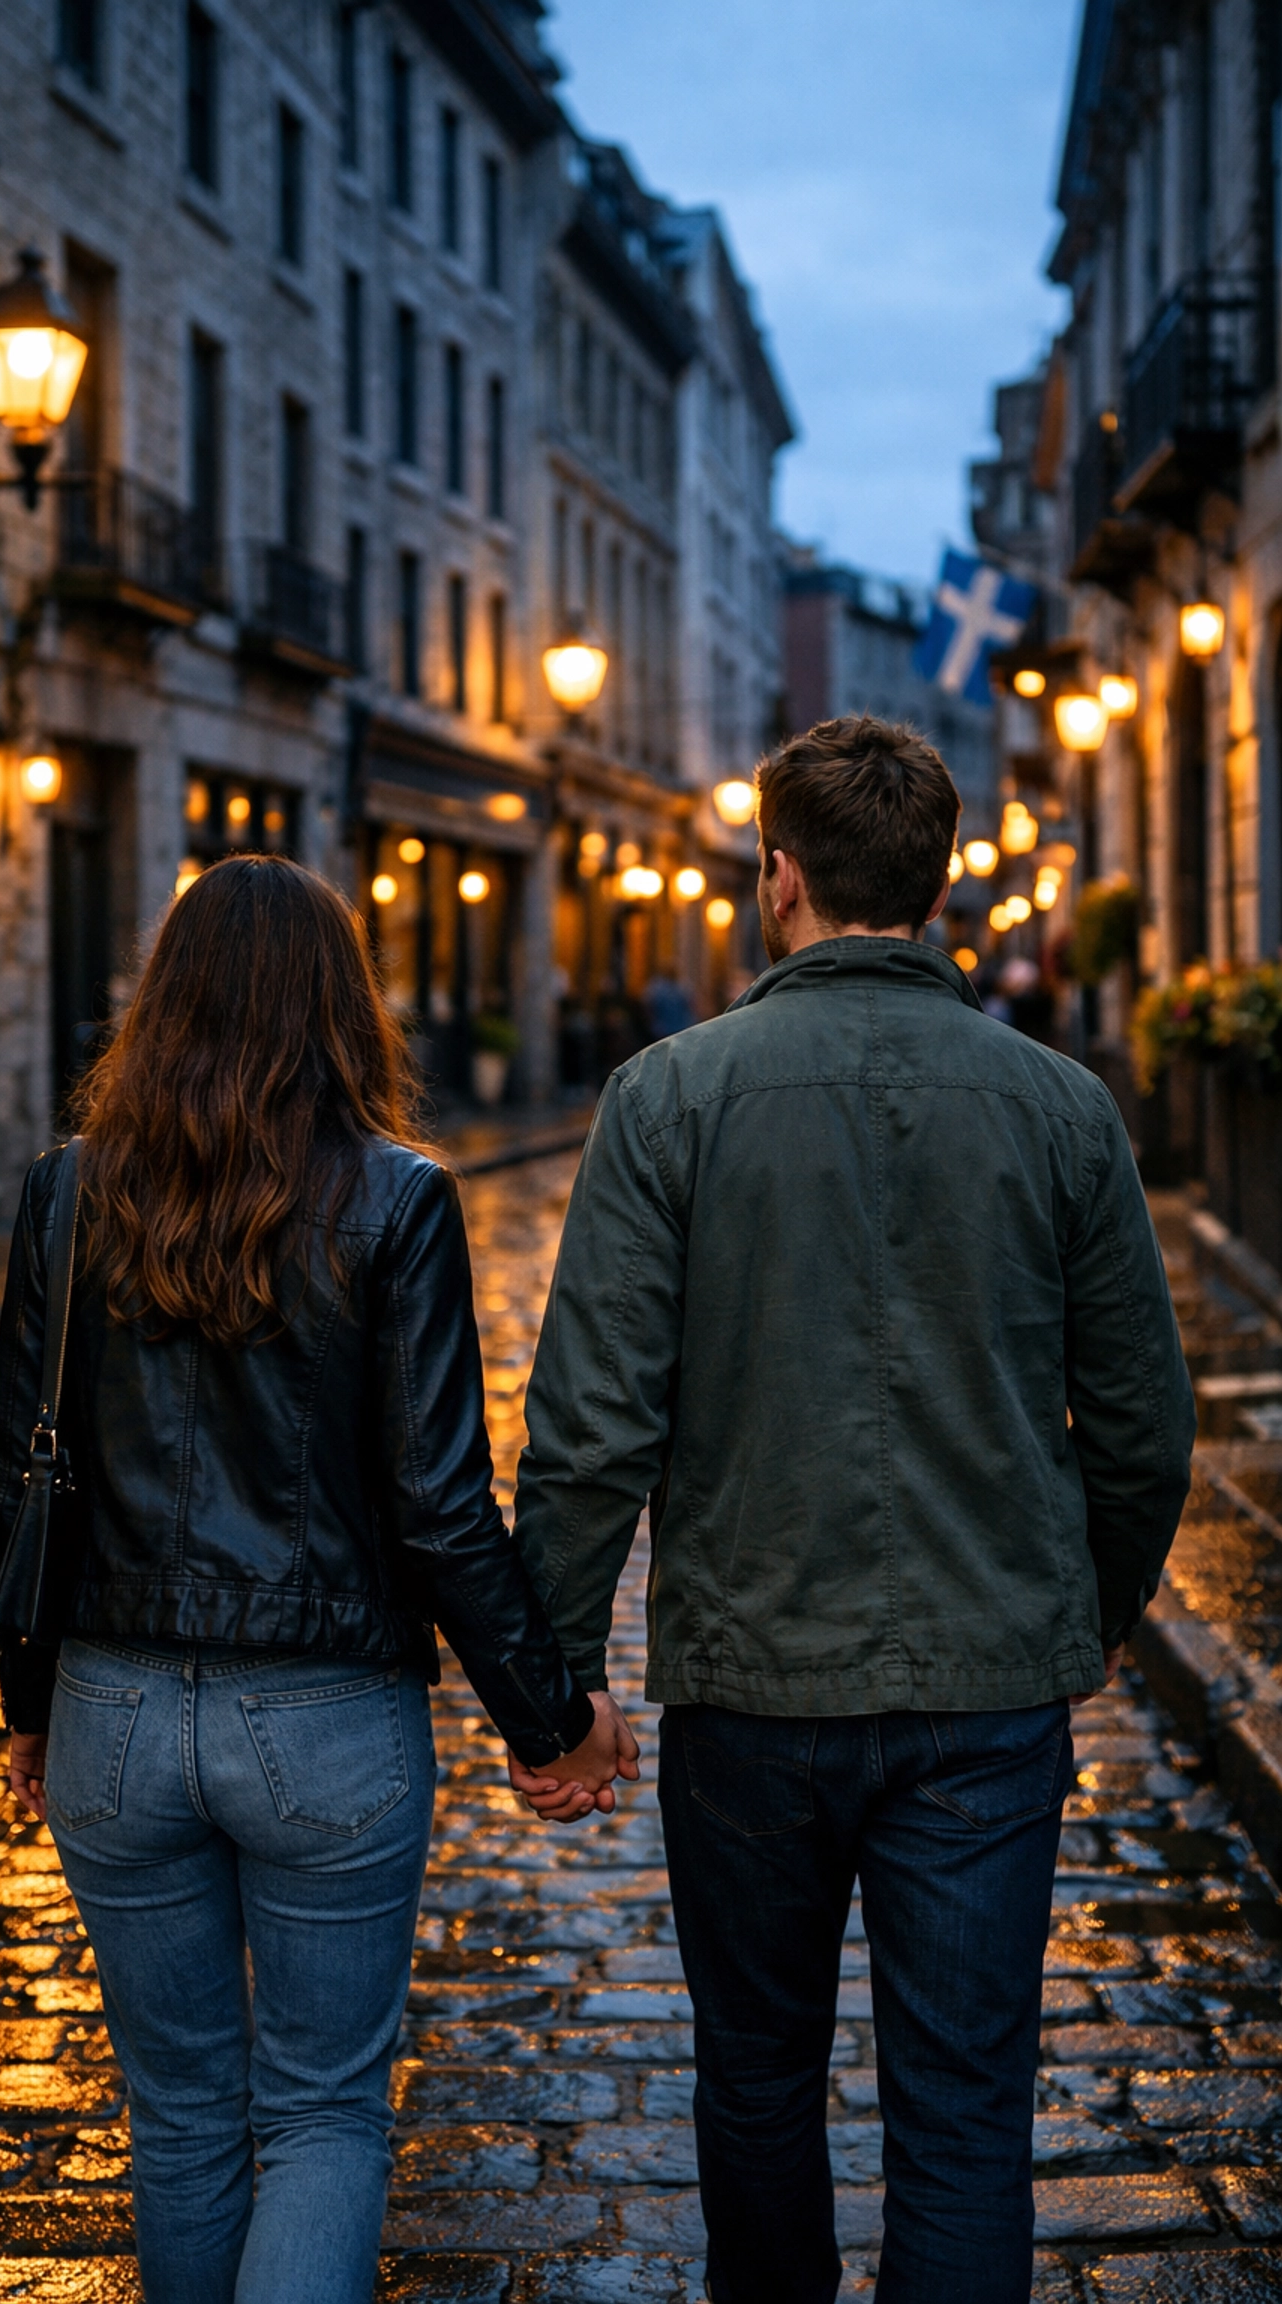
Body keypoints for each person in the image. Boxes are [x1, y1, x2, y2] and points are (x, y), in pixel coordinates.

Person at [508, 716, 1194, 2304]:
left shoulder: (668, 1098)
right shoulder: (1062, 1107)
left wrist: (551, 1694)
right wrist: (1076, 1620)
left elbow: (590, 1429)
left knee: (755, 2082)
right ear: (939, 888)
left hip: (754, 1685)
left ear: (781, 876)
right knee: (966, 2114)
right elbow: (1145, 1431)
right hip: (987, 1687)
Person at [0, 856, 628, 2304]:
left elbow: (24, 1476)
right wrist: (552, 1722)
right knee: (326, 2111)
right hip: (327, 1719)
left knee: (185, 2114)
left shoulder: (68, 1193)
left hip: (116, 1710)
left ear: (163, 1002)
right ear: (345, 1006)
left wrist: (33, 1704)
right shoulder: (395, 1198)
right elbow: (441, 1505)